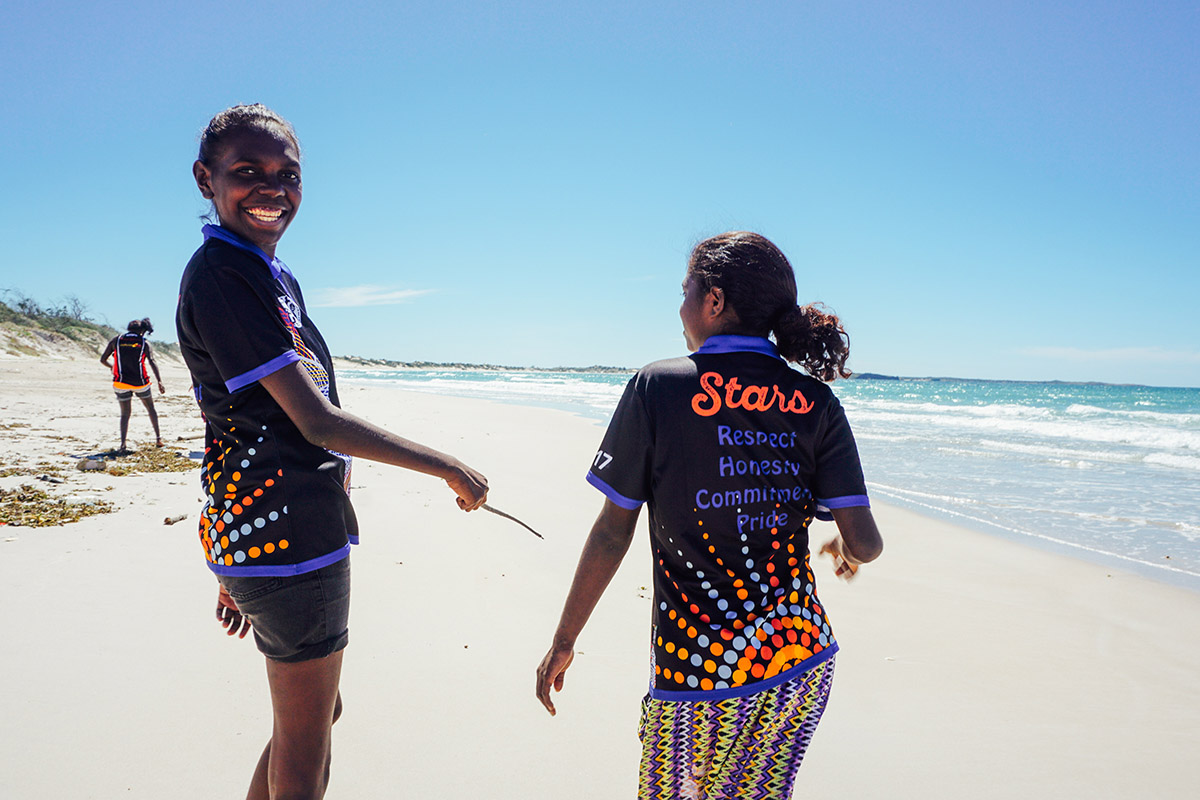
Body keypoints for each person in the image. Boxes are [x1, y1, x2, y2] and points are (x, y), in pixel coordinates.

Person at [175, 103, 489, 800]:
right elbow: (316, 422)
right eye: (247, 172)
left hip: (268, 531)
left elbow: (230, 419)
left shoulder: (267, 275)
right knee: (308, 745)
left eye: (287, 175)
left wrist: (230, 556)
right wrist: (447, 465)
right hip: (286, 538)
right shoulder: (223, 276)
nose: (271, 189)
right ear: (206, 179)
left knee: (312, 720)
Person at [536, 231, 883, 799]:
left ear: (714, 300)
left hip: (698, 667)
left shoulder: (659, 387)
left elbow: (610, 531)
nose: (680, 309)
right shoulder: (817, 402)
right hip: (798, 656)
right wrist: (841, 551)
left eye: (685, 292)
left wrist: (564, 638)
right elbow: (865, 545)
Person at [100, 317, 165, 451]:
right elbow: (152, 361)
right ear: (142, 331)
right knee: (151, 409)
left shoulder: (116, 340)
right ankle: (158, 439)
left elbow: (103, 359)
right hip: (140, 382)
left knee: (125, 413)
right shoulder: (144, 342)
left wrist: (112, 367)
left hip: (121, 382)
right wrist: (159, 381)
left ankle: (123, 444)